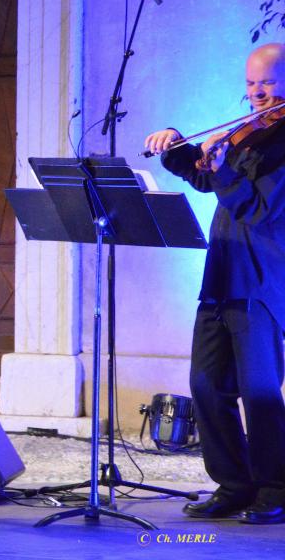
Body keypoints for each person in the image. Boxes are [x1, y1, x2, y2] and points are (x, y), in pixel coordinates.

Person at [144, 42, 285, 525]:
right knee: (206, 385)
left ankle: (275, 489)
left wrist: (224, 170)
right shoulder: (248, 136)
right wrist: (177, 144)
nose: (258, 93)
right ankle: (234, 485)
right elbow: (206, 179)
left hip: (262, 280)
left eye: (267, 82)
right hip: (220, 276)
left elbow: (261, 211)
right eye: (251, 84)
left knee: (260, 391)